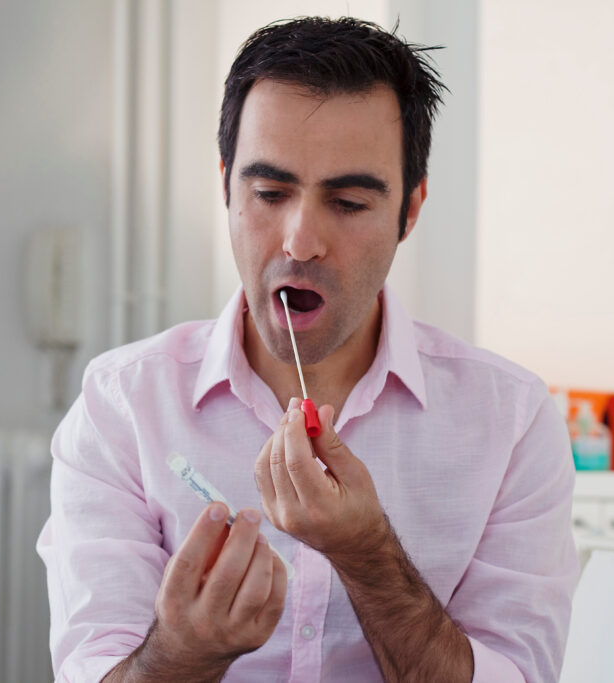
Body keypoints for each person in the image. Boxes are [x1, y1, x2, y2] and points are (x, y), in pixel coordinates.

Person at [38, 16, 577, 683]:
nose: (299, 241)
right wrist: (183, 653)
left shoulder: (513, 422)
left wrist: (368, 553)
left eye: (349, 202)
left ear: (410, 209)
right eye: (268, 193)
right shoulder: (121, 406)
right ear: (226, 186)